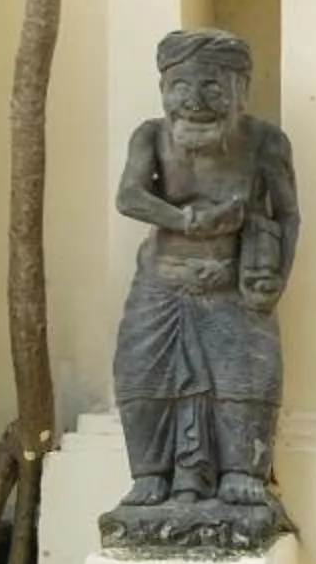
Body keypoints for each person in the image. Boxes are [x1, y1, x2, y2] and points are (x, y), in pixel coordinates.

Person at [110, 29, 299, 524]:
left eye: (212, 88)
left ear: (241, 90)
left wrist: (276, 276)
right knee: (142, 368)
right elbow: (130, 196)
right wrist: (187, 222)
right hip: (162, 279)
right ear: (163, 90)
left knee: (247, 370)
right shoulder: (150, 136)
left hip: (232, 284)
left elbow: (288, 213)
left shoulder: (263, 142)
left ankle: (242, 471)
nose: (193, 102)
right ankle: (151, 474)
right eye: (179, 87)